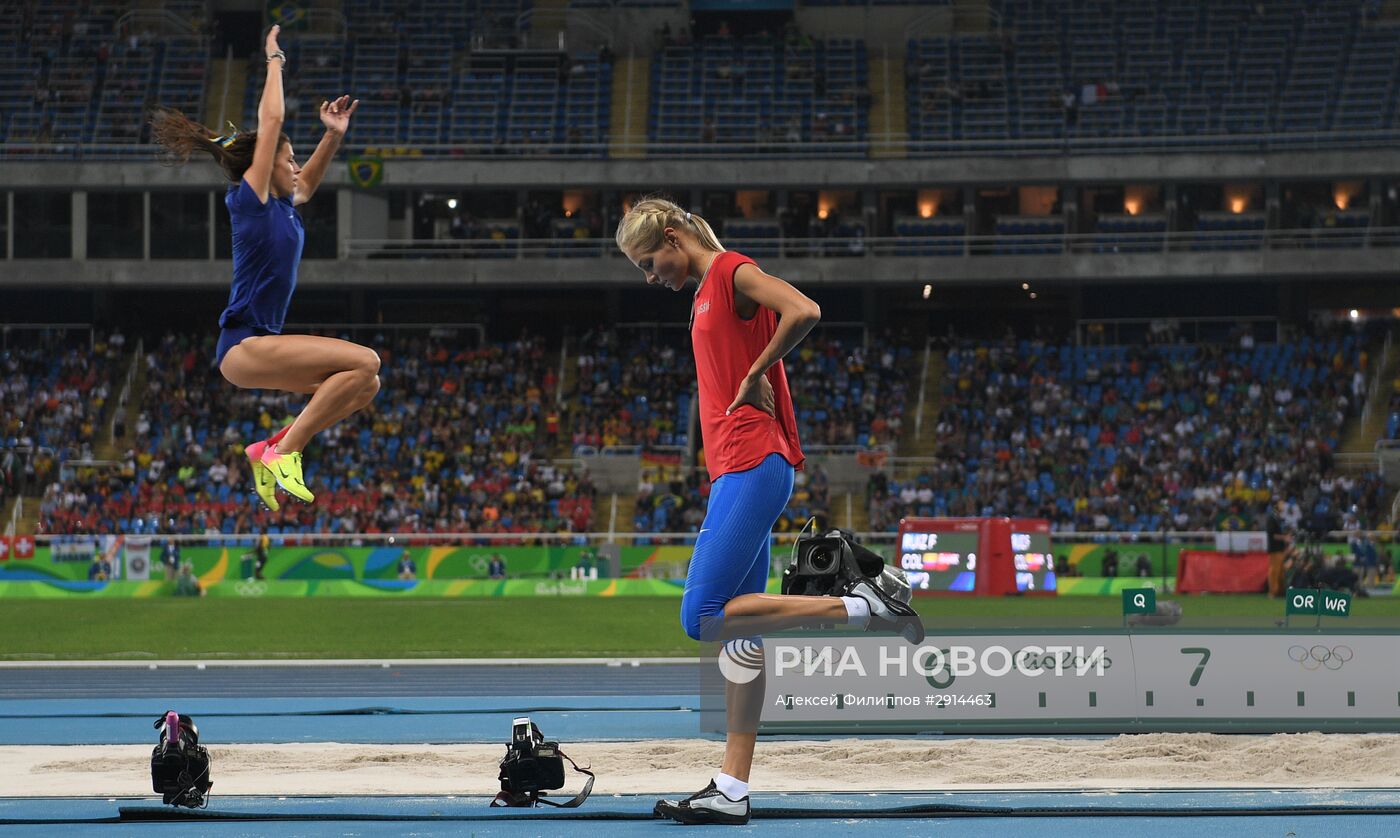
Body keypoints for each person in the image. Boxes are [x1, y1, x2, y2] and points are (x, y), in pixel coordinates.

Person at [615, 197, 922, 826]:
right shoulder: (706, 289)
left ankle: (862, 604)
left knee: (701, 616)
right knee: (740, 638)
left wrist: (758, 370)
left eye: (651, 262)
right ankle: (732, 788)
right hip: (741, 466)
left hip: (752, 465)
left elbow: (805, 309)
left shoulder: (729, 272)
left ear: (674, 237)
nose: (652, 277)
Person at [149, 24, 379, 513]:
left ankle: (270, 447)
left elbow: (309, 184)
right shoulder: (250, 201)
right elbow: (270, 119)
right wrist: (274, 59)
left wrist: (331, 136)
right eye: (288, 159)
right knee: (367, 361)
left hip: (260, 346)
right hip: (244, 345)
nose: (295, 167)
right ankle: (284, 451)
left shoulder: (283, 203)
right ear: (262, 163)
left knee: (364, 385)